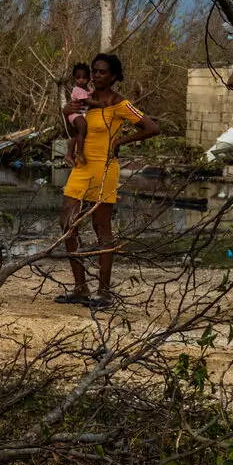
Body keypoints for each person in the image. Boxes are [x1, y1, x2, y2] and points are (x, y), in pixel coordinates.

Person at [57, 52, 161, 309]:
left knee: (101, 226)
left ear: (114, 76)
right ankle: (80, 287)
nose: (97, 75)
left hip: (104, 168)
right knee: (67, 223)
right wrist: (66, 111)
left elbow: (151, 128)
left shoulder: (119, 104)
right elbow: (75, 130)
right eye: (94, 71)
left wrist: (120, 141)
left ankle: (104, 292)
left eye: (103, 72)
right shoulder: (84, 98)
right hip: (82, 166)